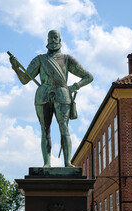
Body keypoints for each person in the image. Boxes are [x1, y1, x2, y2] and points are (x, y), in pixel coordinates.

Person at [9, 30, 93, 167]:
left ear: (60, 40)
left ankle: (67, 163)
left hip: (62, 94)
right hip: (43, 95)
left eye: (56, 37)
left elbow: (89, 76)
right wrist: (16, 68)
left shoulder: (67, 59)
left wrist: (75, 86)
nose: (53, 40)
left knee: (64, 128)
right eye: (51, 38)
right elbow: (24, 79)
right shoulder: (40, 59)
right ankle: (47, 163)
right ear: (47, 40)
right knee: (44, 129)